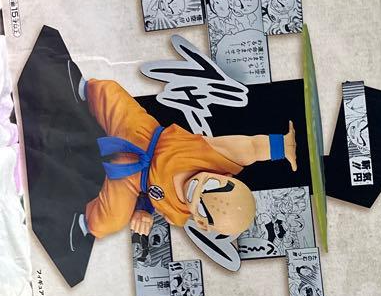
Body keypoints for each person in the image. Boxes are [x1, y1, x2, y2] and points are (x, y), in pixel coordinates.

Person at [68, 73, 296, 246]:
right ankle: (83, 89)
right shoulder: (213, 158)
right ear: (223, 176)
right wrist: (282, 147)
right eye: (210, 185)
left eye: (201, 207)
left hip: (130, 181)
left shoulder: (179, 213)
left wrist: (144, 211)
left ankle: (84, 224)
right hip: (143, 135)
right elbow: (250, 148)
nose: (195, 189)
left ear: (201, 222)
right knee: (111, 93)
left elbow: (151, 199)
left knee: (111, 220)